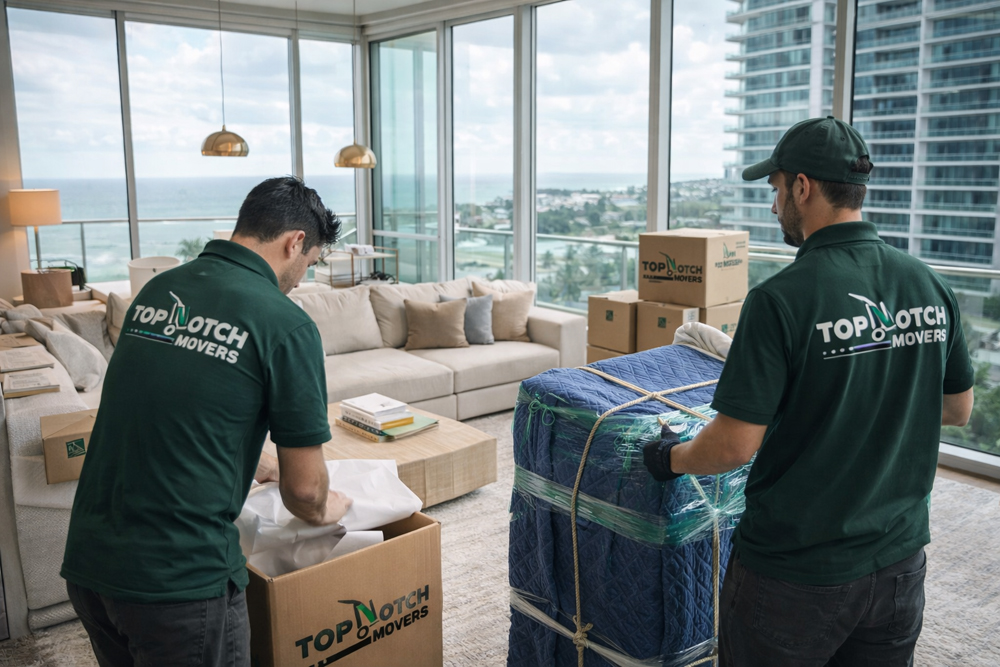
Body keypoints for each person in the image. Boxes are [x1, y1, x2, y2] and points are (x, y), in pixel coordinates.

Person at [643, 117, 975, 666]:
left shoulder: (780, 299)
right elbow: (957, 409)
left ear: (803, 186)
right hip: (899, 564)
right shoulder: (929, 283)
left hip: (795, 574)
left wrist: (671, 458)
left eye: (775, 189)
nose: (774, 206)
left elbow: (732, 446)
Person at [61, 176, 352, 667]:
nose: (303, 278)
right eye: (311, 262)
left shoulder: (159, 291)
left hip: (91, 564)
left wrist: (257, 462)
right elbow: (304, 494)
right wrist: (330, 507)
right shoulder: (284, 322)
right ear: (295, 242)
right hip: (179, 584)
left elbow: (168, 408)